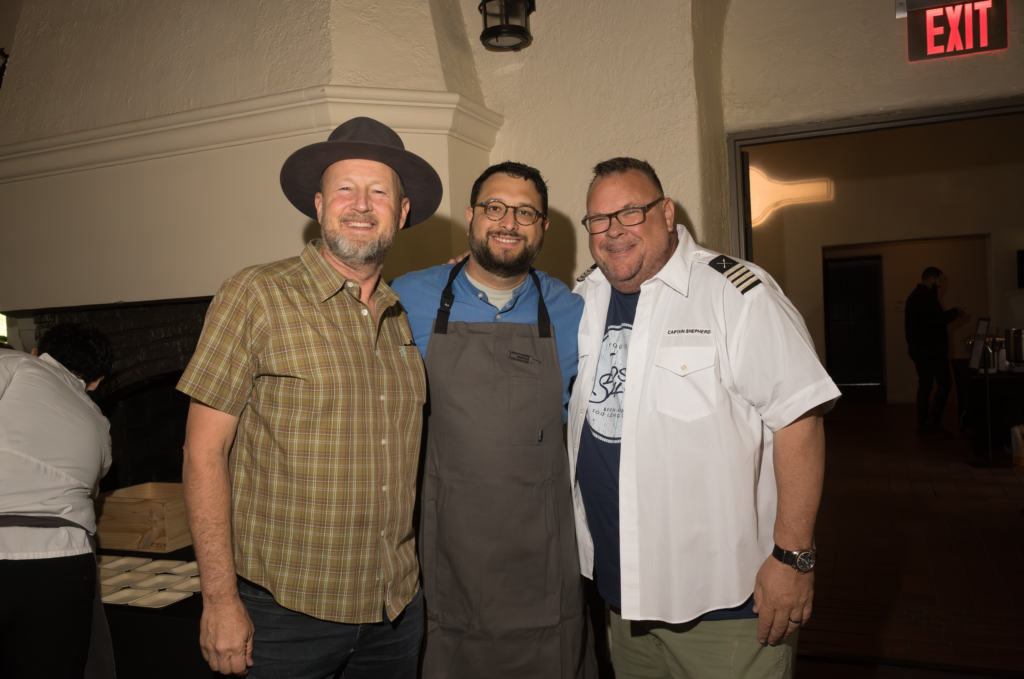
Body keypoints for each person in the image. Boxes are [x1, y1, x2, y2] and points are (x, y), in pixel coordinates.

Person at [176, 117, 442, 678]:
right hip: (283, 616)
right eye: (346, 189)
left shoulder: (400, 318)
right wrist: (220, 602)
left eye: (379, 192)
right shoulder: (256, 294)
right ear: (319, 206)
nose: (362, 205)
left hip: (395, 613)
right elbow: (203, 453)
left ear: (403, 211)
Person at [568, 158, 841, 679]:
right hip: (622, 596)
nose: (613, 232)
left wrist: (794, 557)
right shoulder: (584, 296)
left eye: (630, 212)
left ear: (666, 213)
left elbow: (800, 419)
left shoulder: (735, 295)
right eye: (598, 220)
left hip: (728, 606)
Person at [391, 161, 593, 678]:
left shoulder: (573, 311)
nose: (508, 222)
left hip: (542, 550)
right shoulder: (405, 297)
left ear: (543, 227)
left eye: (525, 212)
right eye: (495, 207)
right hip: (445, 544)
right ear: (471, 218)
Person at [0, 323, 114, 678]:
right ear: (96, 381)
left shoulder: (15, 364)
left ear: (38, 352)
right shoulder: (99, 421)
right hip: (67, 563)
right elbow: (94, 485)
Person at [904, 267, 964, 438]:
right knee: (945, 383)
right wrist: (956, 312)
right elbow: (938, 321)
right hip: (932, 350)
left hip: (918, 350)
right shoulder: (927, 297)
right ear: (931, 279)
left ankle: (923, 423)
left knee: (925, 384)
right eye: (940, 281)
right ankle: (934, 422)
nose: (942, 286)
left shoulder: (914, 296)